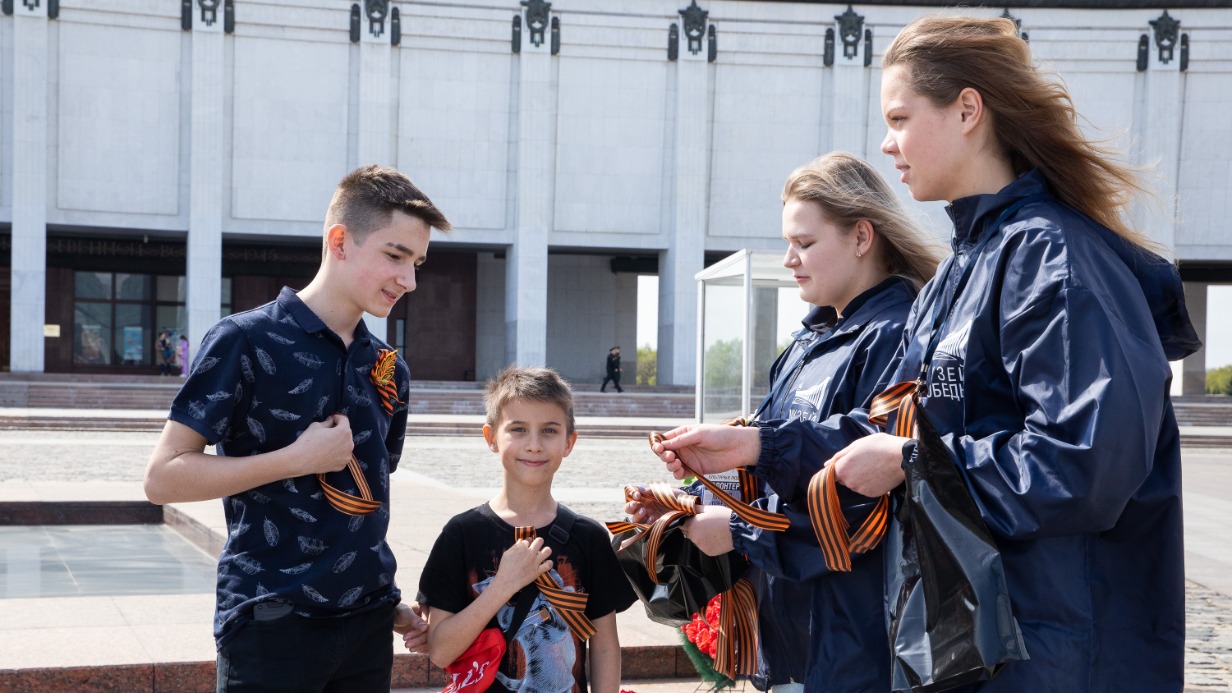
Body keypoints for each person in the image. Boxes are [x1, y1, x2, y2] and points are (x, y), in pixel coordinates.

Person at [652, 15, 1200, 692]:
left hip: (1060, 652)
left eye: (901, 117)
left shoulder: (1053, 260)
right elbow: (899, 433)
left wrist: (910, 463)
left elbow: (1085, 463)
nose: (887, 143)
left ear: (968, 109)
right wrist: (761, 446)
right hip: (974, 650)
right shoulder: (959, 274)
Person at [631, 153, 941, 692]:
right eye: (788, 244)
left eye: (805, 243)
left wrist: (735, 532)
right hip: (791, 639)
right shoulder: (805, 343)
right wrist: (696, 501)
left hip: (856, 646)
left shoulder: (894, 335)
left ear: (862, 237)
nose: (790, 260)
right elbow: (777, 479)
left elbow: (861, 508)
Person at [143, 165, 452, 692]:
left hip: (366, 624)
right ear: (339, 241)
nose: (409, 280)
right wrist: (295, 459)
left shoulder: (387, 367)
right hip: (271, 620)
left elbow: (364, 504)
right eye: (395, 255)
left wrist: (382, 594)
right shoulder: (245, 340)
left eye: (417, 262)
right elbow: (162, 479)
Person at [416, 366, 635, 693]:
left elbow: (604, 646)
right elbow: (440, 649)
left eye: (549, 430)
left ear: (569, 442)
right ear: (491, 438)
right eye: (518, 429)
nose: (534, 445)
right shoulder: (461, 534)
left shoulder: (588, 538)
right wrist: (502, 585)